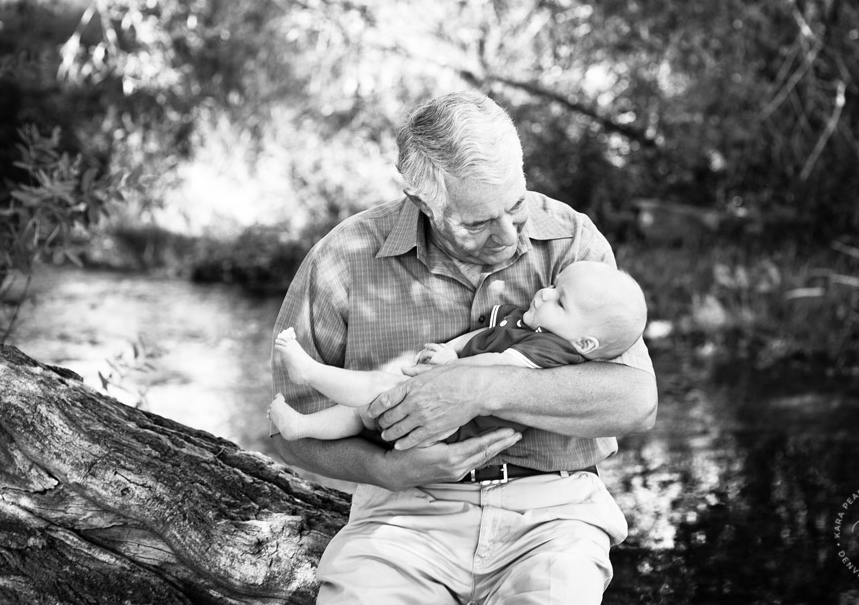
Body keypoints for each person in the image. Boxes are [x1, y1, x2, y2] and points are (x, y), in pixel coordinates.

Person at [269, 90, 658, 604]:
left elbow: (636, 403)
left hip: (555, 515)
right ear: (422, 202)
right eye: (477, 223)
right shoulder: (343, 260)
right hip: (402, 516)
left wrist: (480, 388)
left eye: (516, 207)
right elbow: (287, 429)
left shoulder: (572, 244)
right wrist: (387, 470)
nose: (509, 238)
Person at [269, 260, 647, 445]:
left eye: (560, 302)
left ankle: (311, 373)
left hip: (458, 425)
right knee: (363, 410)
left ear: (584, 344)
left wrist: (453, 366)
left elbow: (500, 369)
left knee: (378, 388)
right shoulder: (527, 324)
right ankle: (302, 426)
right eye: (553, 285)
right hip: (440, 399)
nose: (546, 293)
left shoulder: (553, 349)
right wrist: (451, 350)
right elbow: (477, 337)